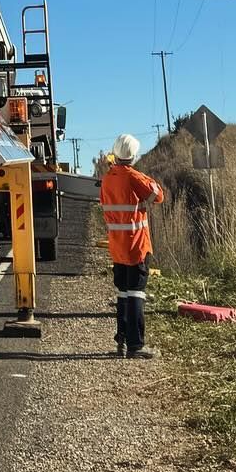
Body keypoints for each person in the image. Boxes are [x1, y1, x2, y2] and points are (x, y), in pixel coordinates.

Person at [99, 134, 165, 358]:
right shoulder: (134, 177)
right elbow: (158, 196)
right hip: (136, 244)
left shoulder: (108, 178)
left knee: (123, 294)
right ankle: (136, 345)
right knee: (137, 294)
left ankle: (122, 342)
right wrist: (145, 177)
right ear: (134, 155)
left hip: (117, 246)